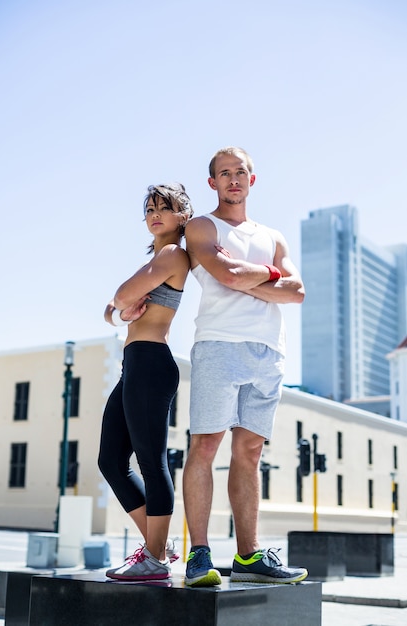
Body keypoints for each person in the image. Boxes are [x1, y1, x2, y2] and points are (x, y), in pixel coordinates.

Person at [182, 147, 308, 587]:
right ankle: (199, 554)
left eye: (240, 173)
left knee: (250, 453)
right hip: (219, 346)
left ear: (252, 180)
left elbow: (297, 292)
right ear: (212, 182)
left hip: (269, 352)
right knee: (205, 446)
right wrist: (268, 278)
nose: (233, 179)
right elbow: (227, 276)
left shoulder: (273, 237)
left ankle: (248, 555)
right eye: (224, 174)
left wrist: (259, 277)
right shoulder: (201, 226)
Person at [98, 182, 193, 581]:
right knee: (111, 462)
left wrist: (121, 307)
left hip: (152, 362)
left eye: (164, 208)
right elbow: (110, 311)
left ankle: (154, 559)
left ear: (183, 216)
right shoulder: (156, 258)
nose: (154, 214)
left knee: (152, 462)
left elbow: (119, 296)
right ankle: (158, 548)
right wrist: (120, 312)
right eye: (150, 208)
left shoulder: (172, 254)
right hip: (133, 364)